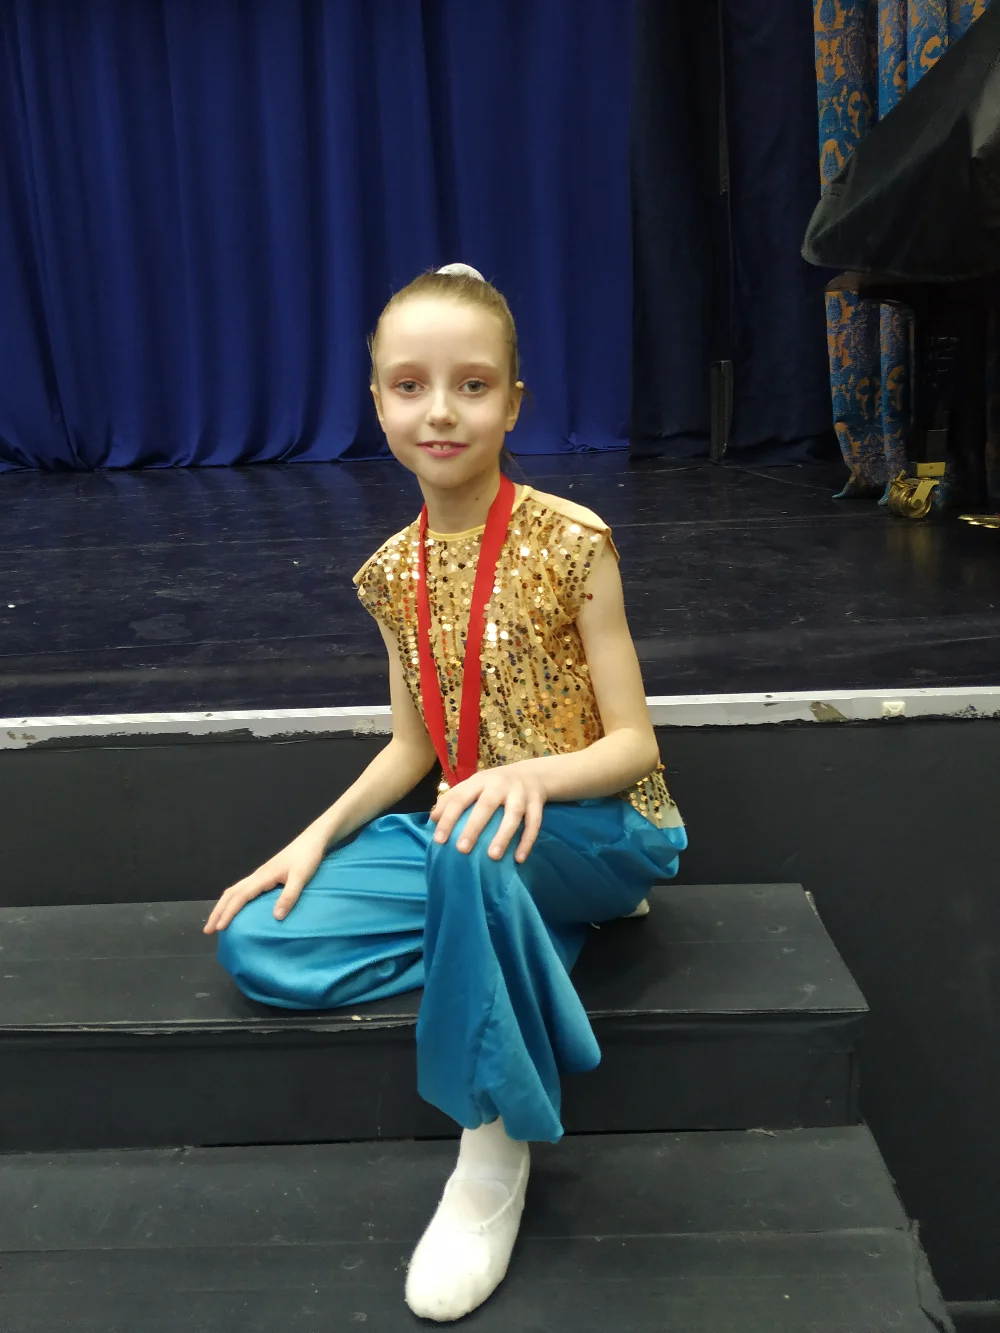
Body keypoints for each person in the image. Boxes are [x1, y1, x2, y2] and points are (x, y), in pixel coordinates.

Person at [204, 263, 686, 1322]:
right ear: (377, 401)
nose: (439, 410)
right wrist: (312, 838)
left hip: (600, 824)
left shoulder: (573, 541)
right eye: (409, 385)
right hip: (473, 828)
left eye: (472, 385)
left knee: (467, 843)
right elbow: (412, 749)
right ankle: (516, 931)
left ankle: (491, 1153)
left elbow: (633, 745)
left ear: (513, 403)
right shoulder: (390, 571)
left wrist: (524, 775)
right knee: (260, 945)